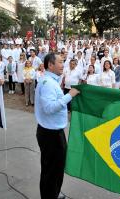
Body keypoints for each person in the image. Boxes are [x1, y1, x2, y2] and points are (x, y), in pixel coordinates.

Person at [35, 53, 80, 199]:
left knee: (55, 168)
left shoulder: (51, 80)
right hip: (50, 135)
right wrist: (70, 95)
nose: (63, 65)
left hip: (53, 132)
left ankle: (53, 193)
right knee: (52, 170)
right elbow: (49, 108)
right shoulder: (48, 83)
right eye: (60, 62)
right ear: (50, 65)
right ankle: (50, 195)